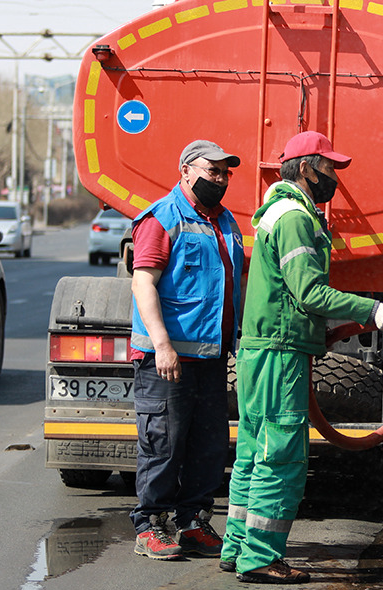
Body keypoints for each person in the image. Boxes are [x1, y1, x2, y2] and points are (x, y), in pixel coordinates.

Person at [220, 131, 383, 583]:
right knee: (280, 457)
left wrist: (315, 333)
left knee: (252, 454)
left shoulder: (281, 211)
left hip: (262, 350)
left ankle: (237, 548)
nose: (334, 178)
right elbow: (308, 291)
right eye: (329, 168)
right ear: (306, 168)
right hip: (279, 355)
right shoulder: (294, 218)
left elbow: (286, 294)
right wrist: (375, 311)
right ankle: (260, 558)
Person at [129, 139, 244, 561]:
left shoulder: (226, 222)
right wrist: (162, 345)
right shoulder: (162, 218)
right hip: (168, 361)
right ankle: (150, 525)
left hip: (210, 358)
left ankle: (192, 522)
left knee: (208, 446)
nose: (221, 179)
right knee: (163, 445)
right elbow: (143, 282)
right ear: (186, 171)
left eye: (225, 173)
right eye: (212, 171)